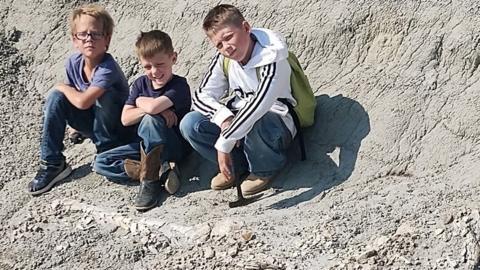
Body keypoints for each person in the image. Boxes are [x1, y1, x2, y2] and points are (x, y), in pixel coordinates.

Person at [179, 4, 295, 196]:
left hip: (275, 120)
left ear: (246, 28)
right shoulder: (224, 58)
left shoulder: (273, 57)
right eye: (219, 44)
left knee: (258, 118)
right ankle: (235, 167)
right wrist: (225, 119)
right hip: (239, 120)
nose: (226, 47)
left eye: (228, 37)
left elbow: (259, 105)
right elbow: (201, 96)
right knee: (190, 123)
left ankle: (263, 170)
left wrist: (224, 142)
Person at [28, 4, 135, 196]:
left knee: (103, 95)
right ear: (74, 39)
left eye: (95, 34)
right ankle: (52, 163)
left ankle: (109, 150)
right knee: (56, 97)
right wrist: (74, 126)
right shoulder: (73, 62)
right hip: (95, 123)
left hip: (119, 129)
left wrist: (60, 85)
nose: (89, 39)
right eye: (83, 34)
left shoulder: (107, 68)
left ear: (107, 39)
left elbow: (83, 101)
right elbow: (72, 94)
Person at [93, 30, 191, 211]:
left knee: (150, 120)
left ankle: (149, 183)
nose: (154, 71)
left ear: (173, 58)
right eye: (147, 66)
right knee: (100, 162)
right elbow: (125, 118)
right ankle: (160, 173)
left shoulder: (179, 86)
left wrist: (140, 102)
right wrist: (157, 110)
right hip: (145, 148)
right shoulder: (140, 84)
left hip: (172, 146)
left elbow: (151, 109)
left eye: (160, 64)